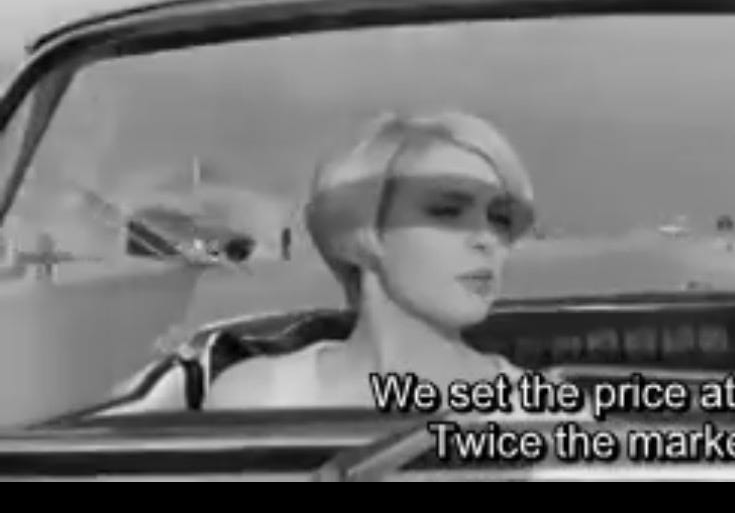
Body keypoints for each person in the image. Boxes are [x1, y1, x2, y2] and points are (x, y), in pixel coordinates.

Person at [207, 111, 537, 410]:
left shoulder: (542, 411)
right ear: (362, 230)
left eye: (500, 219)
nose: (487, 239)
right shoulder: (257, 398)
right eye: (447, 211)